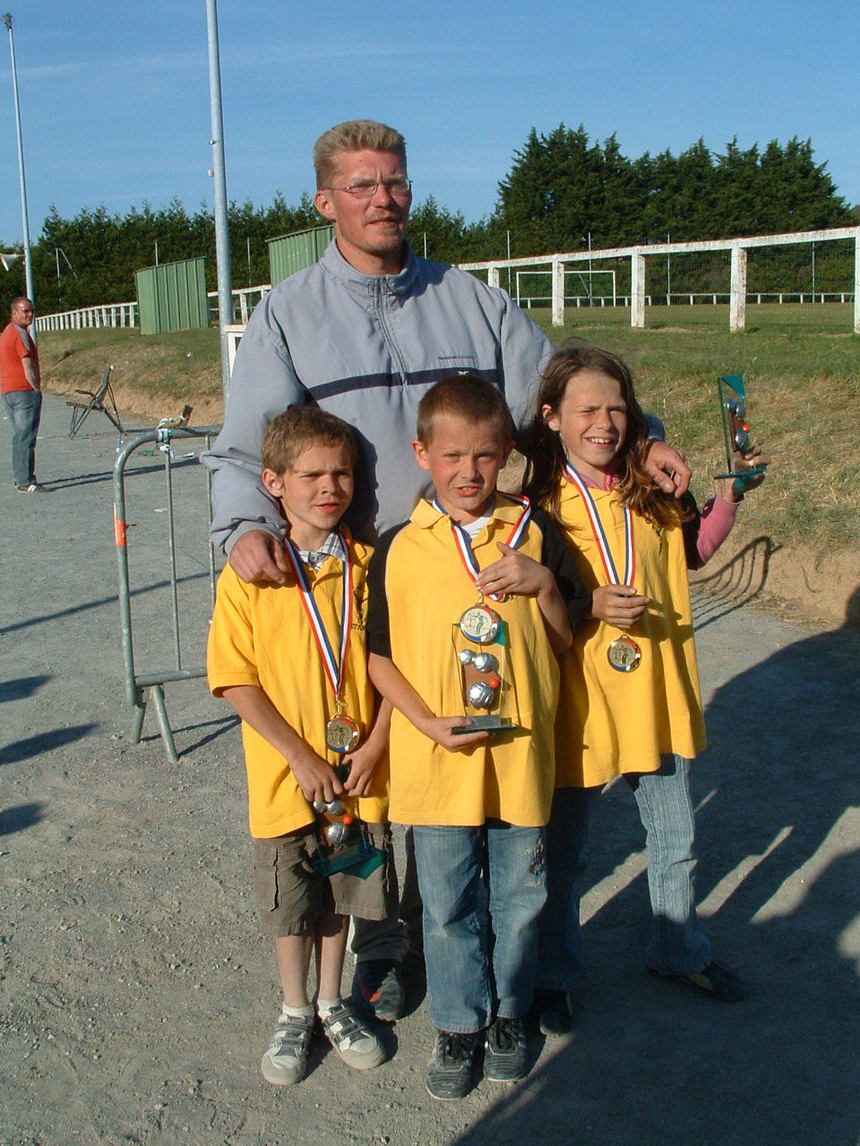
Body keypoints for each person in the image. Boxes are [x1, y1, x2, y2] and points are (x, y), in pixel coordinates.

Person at [201, 118, 691, 1019]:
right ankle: (390, 941)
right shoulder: (288, 315)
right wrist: (242, 525)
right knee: (379, 771)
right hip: (367, 584)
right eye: (361, 186)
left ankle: (496, 946)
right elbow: (246, 448)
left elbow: (565, 392)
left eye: (395, 182)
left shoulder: (472, 301)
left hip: (485, 579)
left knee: (478, 759)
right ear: (325, 202)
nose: (382, 199)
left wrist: (644, 437)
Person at [522, 342, 767, 1034]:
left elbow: (693, 552)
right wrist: (588, 604)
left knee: (675, 836)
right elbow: (529, 608)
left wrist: (728, 497)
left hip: (655, 697)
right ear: (551, 417)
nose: (603, 424)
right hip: (582, 706)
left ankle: (676, 949)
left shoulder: (652, 487)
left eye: (617, 409)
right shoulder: (537, 509)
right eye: (586, 410)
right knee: (565, 856)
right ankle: (554, 975)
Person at [366, 375, 590, 1099]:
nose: (469, 472)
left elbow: (564, 640)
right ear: (421, 453)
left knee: (521, 901)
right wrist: (423, 722)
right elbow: (378, 658)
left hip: (519, 760)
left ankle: (511, 1014)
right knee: (446, 906)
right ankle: (459, 1023)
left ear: (507, 455)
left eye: (486, 456)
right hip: (438, 763)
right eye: (452, 455)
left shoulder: (534, 532)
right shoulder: (398, 547)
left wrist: (544, 585)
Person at [206, 405, 394, 1086]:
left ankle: (331, 1002)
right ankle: (293, 1010)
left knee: (343, 891)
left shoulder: (370, 567)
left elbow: (398, 668)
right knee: (292, 901)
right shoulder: (252, 573)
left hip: (356, 776)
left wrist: (376, 745)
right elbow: (234, 679)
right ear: (273, 482)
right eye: (311, 475)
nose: (330, 487)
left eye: (342, 473)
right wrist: (299, 755)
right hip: (287, 779)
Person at [1, 296, 45, 492]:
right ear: (14, 312)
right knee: (26, 436)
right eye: (25, 311)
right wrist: (36, 388)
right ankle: (26, 481)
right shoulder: (19, 334)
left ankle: (20, 477)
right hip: (24, 391)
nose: (30, 314)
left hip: (8, 391)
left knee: (20, 435)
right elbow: (27, 363)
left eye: (31, 311)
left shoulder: (7, 332)